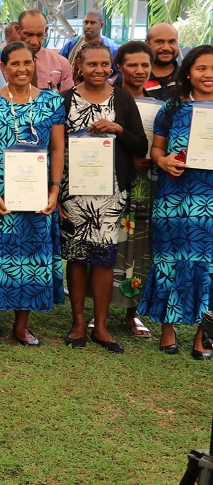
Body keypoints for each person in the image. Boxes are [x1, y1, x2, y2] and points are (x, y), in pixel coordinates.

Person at [0, 41, 66, 348]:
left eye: (27, 63)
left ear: (34, 65)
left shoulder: (51, 101)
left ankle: (22, 326)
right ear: (3, 67)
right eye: (15, 64)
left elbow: (58, 148)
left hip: (38, 194)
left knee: (32, 257)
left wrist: (55, 190)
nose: (22, 69)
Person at [59, 42, 147, 353]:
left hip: (111, 193)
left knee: (104, 258)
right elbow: (54, 148)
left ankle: (102, 325)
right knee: (77, 256)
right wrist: (55, 193)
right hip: (74, 192)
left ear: (112, 66)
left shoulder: (122, 98)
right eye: (92, 64)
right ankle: (78, 323)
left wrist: (119, 129)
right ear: (79, 65)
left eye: (105, 64)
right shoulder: (66, 99)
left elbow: (141, 146)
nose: (99, 70)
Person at [139, 45, 213, 359]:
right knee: (169, 261)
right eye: (201, 69)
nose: (208, 75)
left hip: (210, 200)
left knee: (208, 267)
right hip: (175, 199)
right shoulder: (171, 108)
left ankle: (204, 335)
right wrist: (164, 160)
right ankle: (167, 330)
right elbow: (156, 149)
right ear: (188, 72)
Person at [112, 40, 159, 338]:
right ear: (120, 67)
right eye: (132, 64)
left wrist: (150, 157)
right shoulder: (107, 100)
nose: (139, 71)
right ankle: (99, 312)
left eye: (145, 65)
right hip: (113, 180)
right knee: (108, 245)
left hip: (147, 184)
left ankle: (133, 314)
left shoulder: (162, 104)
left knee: (140, 249)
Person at [17, 9, 73, 91]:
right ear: (18, 30)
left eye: (40, 35)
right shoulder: (2, 65)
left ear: (46, 31)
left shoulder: (61, 63)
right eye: (28, 35)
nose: (34, 42)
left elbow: (69, 98)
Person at [145, 22, 181, 100]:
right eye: (160, 42)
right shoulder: (133, 77)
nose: (166, 47)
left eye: (172, 42)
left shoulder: (187, 78)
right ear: (147, 44)